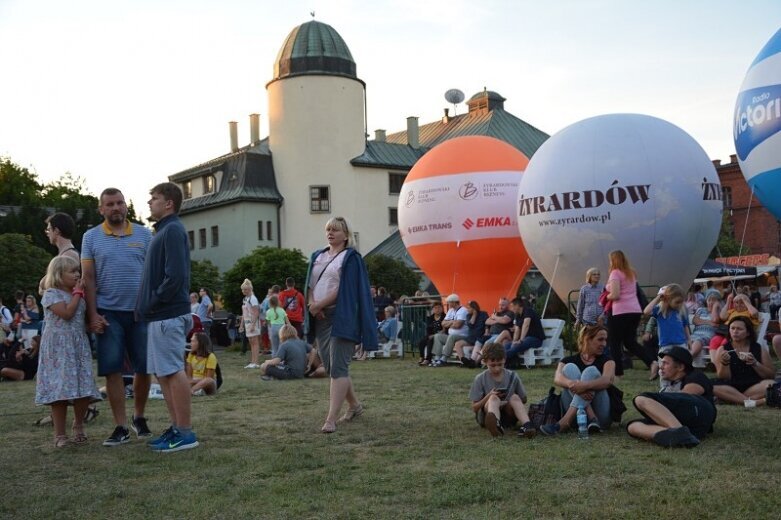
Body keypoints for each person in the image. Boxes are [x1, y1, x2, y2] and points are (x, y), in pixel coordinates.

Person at [81, 187, 154, 446]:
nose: (115, 208)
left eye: (120, 203)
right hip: (108, 313)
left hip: (140, 312)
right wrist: (93, 314)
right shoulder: (91, 238)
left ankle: (140, 416)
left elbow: (153, 275)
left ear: (126, 206)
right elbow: (87, 278)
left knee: (144, 367)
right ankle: (120, 425)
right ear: (101, 209)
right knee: (112, 369)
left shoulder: (145, 235)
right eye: (109, 204)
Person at [137, 182, 198, 452]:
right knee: (163, 373)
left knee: (173, 371)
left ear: (169, 203)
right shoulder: (163, 231)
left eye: (155, 198)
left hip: (168, 313)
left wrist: (153, 300)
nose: (150, 202)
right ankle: (176, 428)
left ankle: (185, 432)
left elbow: (176, 276)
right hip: (160, 315)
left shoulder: (172, 230)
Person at [304, 216, 377, 434]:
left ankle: (331, 419)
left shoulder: (351, 258)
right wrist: (312, 304)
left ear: (346, 234)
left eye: (335, 230)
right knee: (332, 366)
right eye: (328, 229)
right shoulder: (318, 255)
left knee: (338, 368)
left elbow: (346, 288)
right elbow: (310, 282)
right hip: (321, 318)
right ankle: (354, 406)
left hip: (342, 316)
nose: (330, 233)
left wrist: (319, 305)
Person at [36, 256, 101, 447]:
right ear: (58, 274)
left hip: (77, 344)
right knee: (60, 391)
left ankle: (79, 425)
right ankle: (59, 435)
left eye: (77, 271)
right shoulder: (51, 294)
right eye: (72, 271)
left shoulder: (77, 294)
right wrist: (79, 293)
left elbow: (81, 320)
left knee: (83, 388)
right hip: (57, 348)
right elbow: (66, 314)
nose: (77, 274)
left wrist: (95, 323)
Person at [627, 346, 716, 448]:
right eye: (662, 363)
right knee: (632, 426)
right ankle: (675, 435)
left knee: (641, 399)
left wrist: (654, 405)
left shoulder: (695, 376)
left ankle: (680, 433)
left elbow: (685, 397)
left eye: (666, 363)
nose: (661, 367)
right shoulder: (672, 383)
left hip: (701, 410)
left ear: (680, 367)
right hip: (691, 427)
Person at [541, 324, 615, 435]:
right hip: (577, 417)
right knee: (569, 368)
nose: (604, 344)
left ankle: (564, 422)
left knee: (591, 371)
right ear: (587, 339)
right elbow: (557, 378)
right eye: (600, 340)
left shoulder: (608, 361)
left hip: (601, 415)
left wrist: (583, 386)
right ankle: (591, 417)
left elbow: (607, 380)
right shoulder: (568, 360)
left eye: (605, 340)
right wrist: (572, 384)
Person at [469, 342, 536, 438]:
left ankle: (527, 426)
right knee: (493, 398)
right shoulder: (480, 378)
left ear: (505, 360)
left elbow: (524, 399)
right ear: (484, 361)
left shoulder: (512, 376)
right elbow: (475, 407)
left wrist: (507, 401)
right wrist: (488, 396)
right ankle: (495, 425)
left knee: (514, 397)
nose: (497, 369)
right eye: (493, 365)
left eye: (500, 364)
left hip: (509, 415)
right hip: (487, 414)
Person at [712, 316, 775, 407]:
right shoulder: (723, 349)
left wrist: (755, 363)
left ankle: (732, 399)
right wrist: (725, 363)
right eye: (732, 328)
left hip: (753, 385)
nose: (735, 331)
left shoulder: (758, 348)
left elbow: (771, 375)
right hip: (731, 386)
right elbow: (724, 378)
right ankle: (752, 402)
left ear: (748, 332)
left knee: (771, 384)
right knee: (711, 386)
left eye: (739, 329)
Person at [643, 283, 691, 387]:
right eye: (677, 302)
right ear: (668, 299)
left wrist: (689, 339)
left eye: (681, 302)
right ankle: (665, 389)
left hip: (681, 345)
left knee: (681, 369)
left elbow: (685, 325)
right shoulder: (660, 311)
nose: (679, 304)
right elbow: (646, 311)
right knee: (664, 369)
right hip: (666, 346)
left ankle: (680, 389)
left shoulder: (681, 310)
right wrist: (658, 298)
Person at [605, 249, 643, 378]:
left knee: (614, 342)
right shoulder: (631, 273)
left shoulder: (615, 273)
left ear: (613, 260)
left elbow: (615, 295)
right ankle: (652, 361)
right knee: (630, 342)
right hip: (635, 310)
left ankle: (618, 372)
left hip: (621, 310)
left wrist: (606, 296)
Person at [504, 297, 545, 367]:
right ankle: (512, 362)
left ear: (517, 305)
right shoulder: (517, 315)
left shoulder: (528, 311)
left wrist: (521, 340)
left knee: (516, 346)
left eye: (512, 306)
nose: (511, 309)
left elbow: (526, 325)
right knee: (507, 345)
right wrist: (514, 341)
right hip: (526, 339)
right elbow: (517, 330)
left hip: (535, 339)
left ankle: (498, 359)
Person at [429, 294, 469, 367]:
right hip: (452, 336)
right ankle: (437, 358)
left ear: (454, 302)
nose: (448, 304)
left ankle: (444, 359)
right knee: (438, 336)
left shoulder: (463, 310)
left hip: (462, 336)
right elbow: (443, 323)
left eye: (449, 302)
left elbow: (458, 325)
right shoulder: (451, 310)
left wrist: (450, 322)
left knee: (452, 336)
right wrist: (453, 322)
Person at [454, 300, 489, 367]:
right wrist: (474, 315)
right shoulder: (468, 316)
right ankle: (463, 361)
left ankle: (473, 362)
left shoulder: (483, 314)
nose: (467, 309)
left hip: (480, 337)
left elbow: (487, 324)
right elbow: (471, 324)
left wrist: (487, 331)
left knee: (478, 342)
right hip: (471, 338)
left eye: (469, 308)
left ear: (474, 308)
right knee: (457, 344)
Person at [690, 292, 721, 359]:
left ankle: (688, 358)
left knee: (699, 340)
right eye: (709, 300)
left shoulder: (719, 312)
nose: (710, 302)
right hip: (696, 332)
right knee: (688, 340)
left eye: (713, 300)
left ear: (718, 302)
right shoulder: (701, 310)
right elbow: (695, 321)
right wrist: (710, 323)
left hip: (708, 334)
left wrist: (715, 308)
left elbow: (715, 320)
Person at [240, 279, 262, 369]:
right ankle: (252, 361)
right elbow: (244, 313)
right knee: (251, 342)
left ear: (250, 289)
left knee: (255, 342)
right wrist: (241, 325)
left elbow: (256, 312)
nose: (244, 291)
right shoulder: (245, 299)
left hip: (253, 323)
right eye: (243, 289)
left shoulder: (253, 299)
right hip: (247, 322)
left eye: (245, 289)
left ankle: (256, 362)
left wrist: (253, 324)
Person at [417, 301, 444, 366]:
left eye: (439, 308)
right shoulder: (430, 318)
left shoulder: (444, 317)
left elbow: (444, 330)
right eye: (435, 308)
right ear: (433, 309)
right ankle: (421, 356)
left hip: (440, 335)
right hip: (430, 334)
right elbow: (428, 328)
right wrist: (429, 335)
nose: (437, 309)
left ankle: (428, 359)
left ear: (442, 308)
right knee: (421, 341)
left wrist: (434, 335)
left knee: (430, 341)